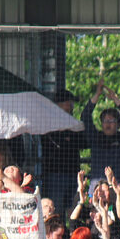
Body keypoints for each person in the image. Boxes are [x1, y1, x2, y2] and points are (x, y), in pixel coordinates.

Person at [40, 89, 86, 217]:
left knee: (75, 210)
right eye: (68, 103)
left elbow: (83, 142)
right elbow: (54, 143)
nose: (71, 106)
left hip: (73, 173)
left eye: (71, 103)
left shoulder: (74, 123)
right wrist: (70, 140)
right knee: (56, 211)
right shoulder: (48, 123)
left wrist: (70, 140)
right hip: (55, 174)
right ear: (59, 104)